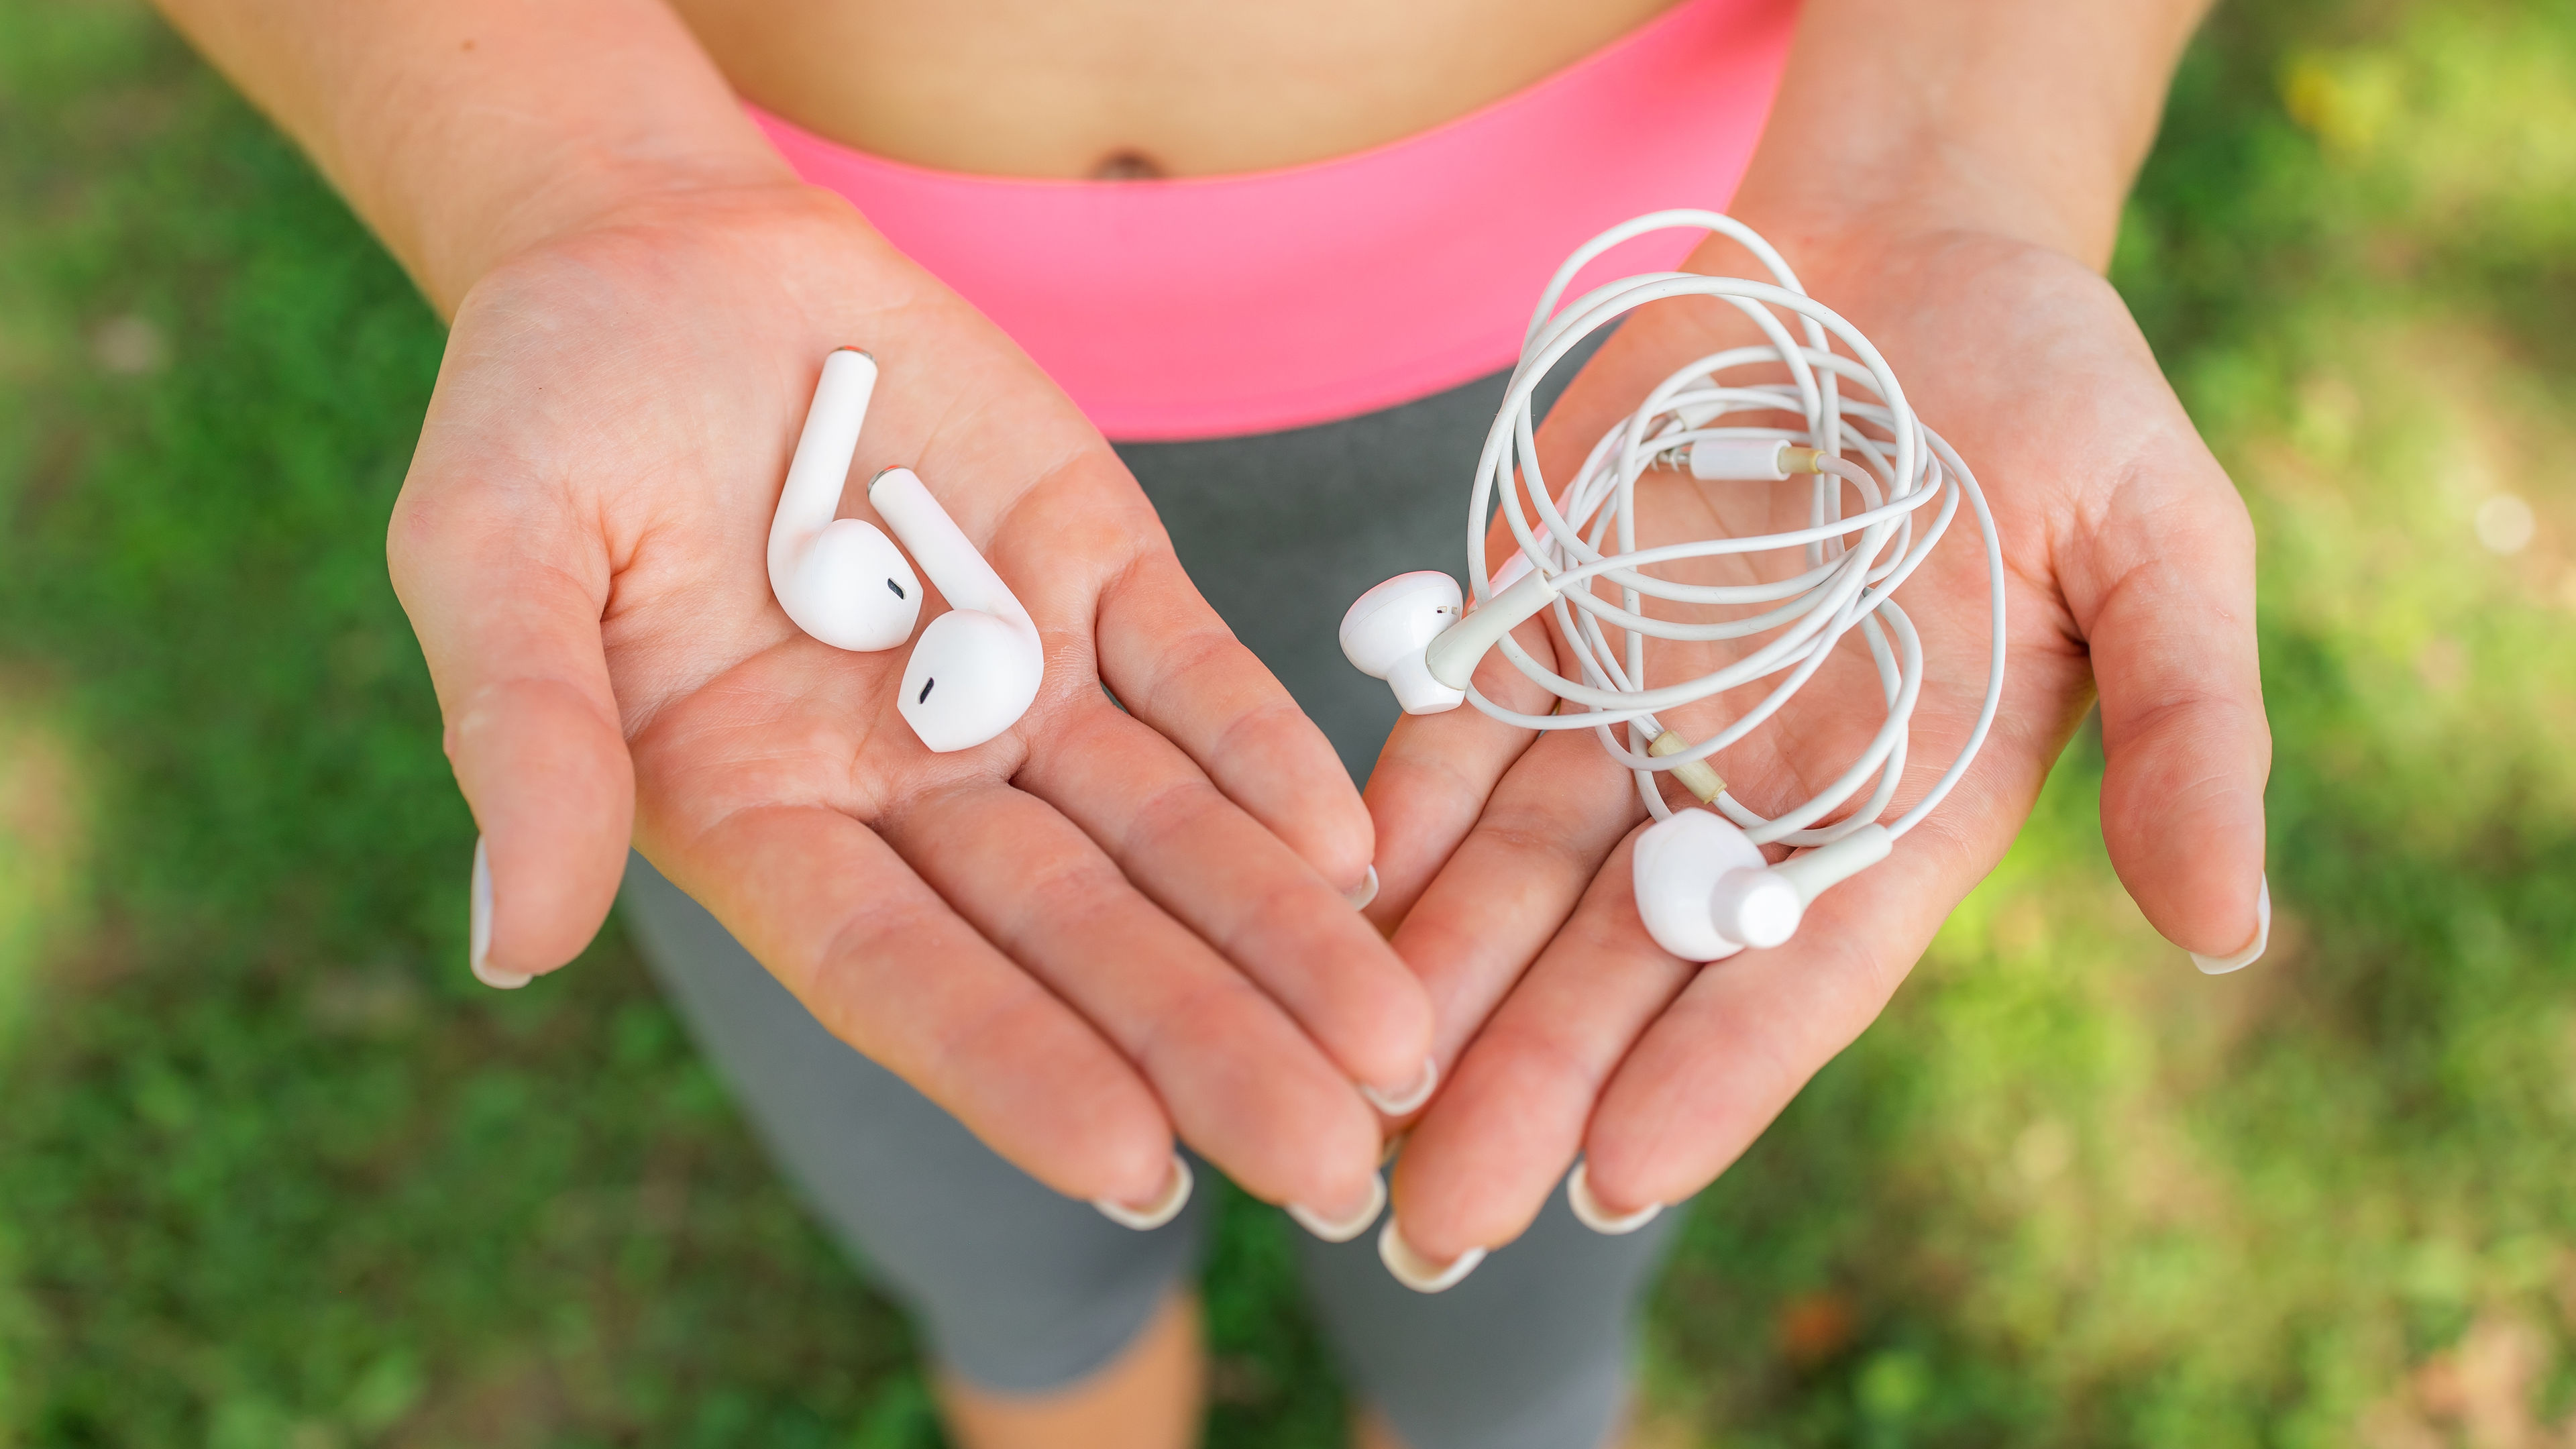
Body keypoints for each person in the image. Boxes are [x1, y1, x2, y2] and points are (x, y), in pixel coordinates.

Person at [149, 0, 2272, 1443]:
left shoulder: (1666, 498)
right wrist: (572, 182)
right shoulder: (777, 552)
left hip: (1637, 373)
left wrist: (1961, 172)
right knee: (980, 1175)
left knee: (1524, 1200)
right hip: (744, 364)